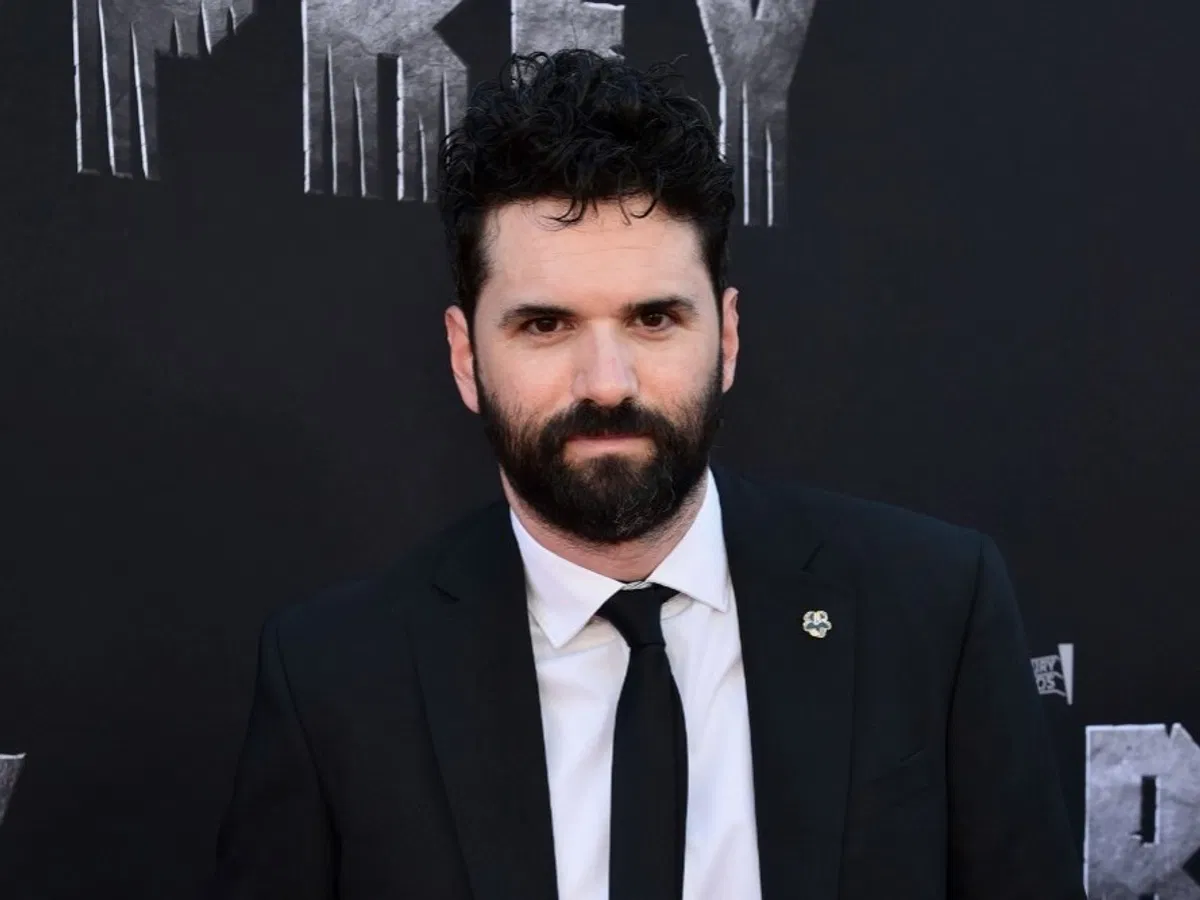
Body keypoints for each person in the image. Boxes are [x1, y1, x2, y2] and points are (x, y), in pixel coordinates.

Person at [208, 49, 1086, 900]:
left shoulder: (932, 607)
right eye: (545, 325)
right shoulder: (336, 680)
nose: (607, 383)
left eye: (654, 319)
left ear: (726, 336)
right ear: (465, 357)